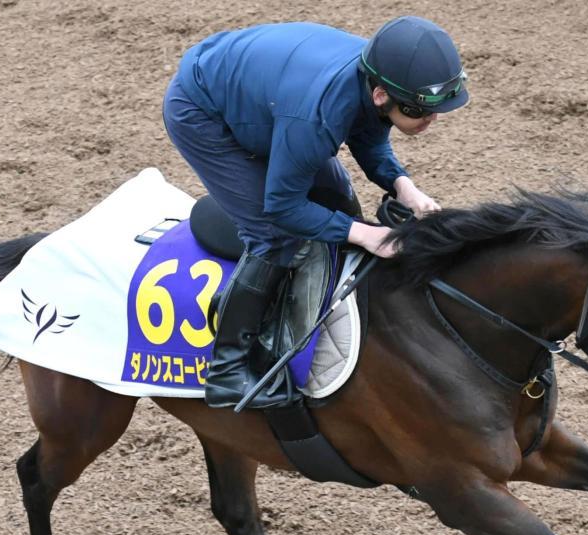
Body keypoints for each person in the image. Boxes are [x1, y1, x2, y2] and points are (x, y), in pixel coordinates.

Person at [163, 17, 469, 409]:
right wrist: (365, 234)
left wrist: (404, 188)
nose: (432, 119)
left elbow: (370, 139)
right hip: (202, 113)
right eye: (421, 110)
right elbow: (283, 207)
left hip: (268, 102)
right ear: (380, 95)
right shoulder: (319, 113)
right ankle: (228, 370)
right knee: (273, 234)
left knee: (337, 199)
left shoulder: (376, 75)